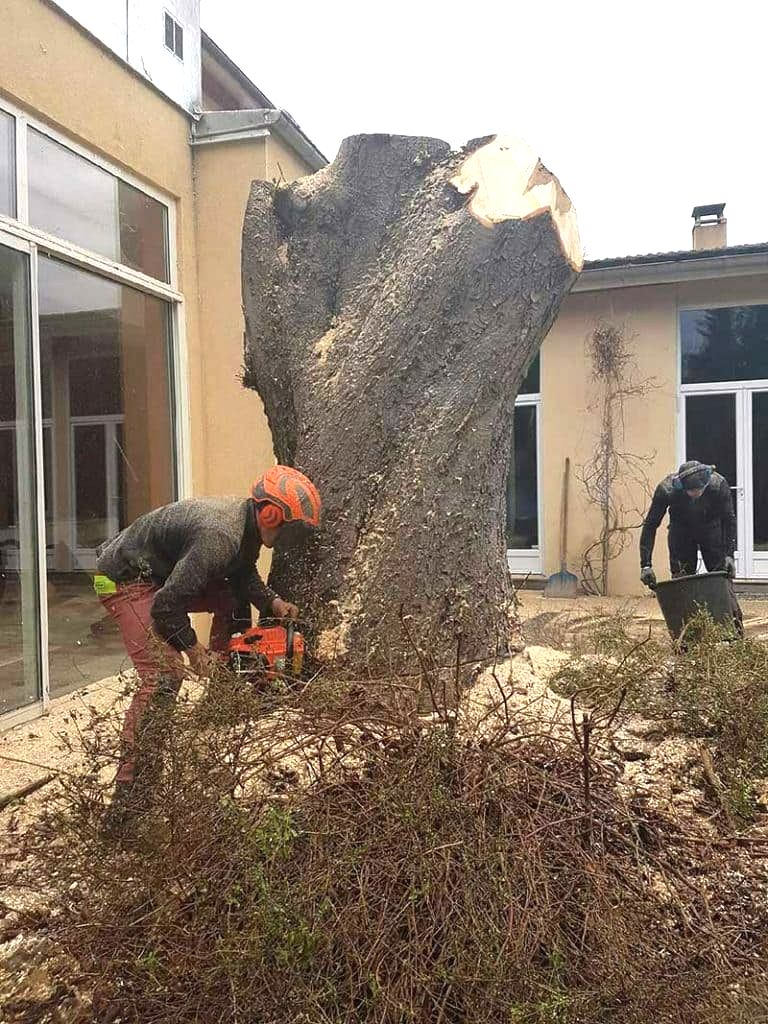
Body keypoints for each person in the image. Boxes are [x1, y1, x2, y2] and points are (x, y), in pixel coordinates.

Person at [94, 465, 321, 816]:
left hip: (162, 576)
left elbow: (241, 572)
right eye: (292, 529)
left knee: (233, 600)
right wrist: (193, 649)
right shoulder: (220, 536)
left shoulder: (245, 527)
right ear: (271, 514)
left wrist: (272, 602)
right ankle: (130, 796)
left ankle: (222, 692)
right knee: (165, 676)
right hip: (122, 579)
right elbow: (167, 606)